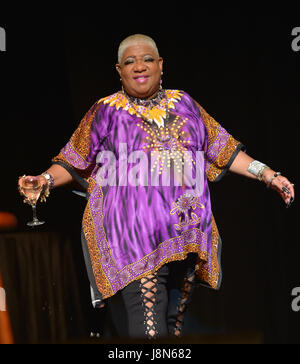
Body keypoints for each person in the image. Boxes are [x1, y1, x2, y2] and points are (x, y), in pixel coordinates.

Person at [18, 34, 295, 340]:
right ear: (119, 70)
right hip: (135, 236)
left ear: (161, 65)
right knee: (149, 325)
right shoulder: (106, 110)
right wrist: (43, 179)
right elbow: (74, 159)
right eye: (129, 61)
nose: (139, 66)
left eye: (147, 59)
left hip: (187, 234)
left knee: (173, 326)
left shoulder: (185, 103)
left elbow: (224, 148)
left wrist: (267, 174)